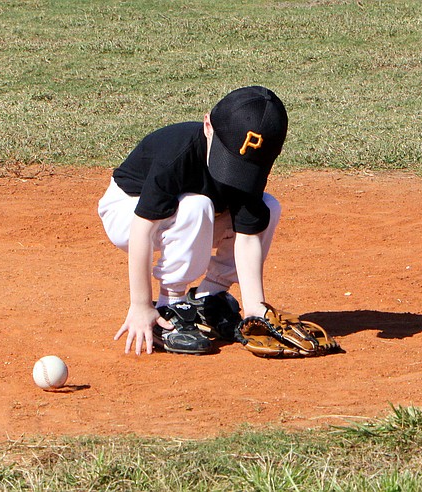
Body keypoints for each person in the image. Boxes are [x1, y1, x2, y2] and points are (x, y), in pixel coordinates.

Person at [98, 86, 288, 355]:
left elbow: (247, 235)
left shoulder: (253, 165)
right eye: (227, 159)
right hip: (128, 212)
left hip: (193, 217)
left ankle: (208, 300)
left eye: (242, 168)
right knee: (196, 206)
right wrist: (141, 305)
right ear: (207, 124)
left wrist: (256, 309)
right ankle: (170, 306)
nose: (234, 173)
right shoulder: (176, 153)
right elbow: (141, 229)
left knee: (267, 207)